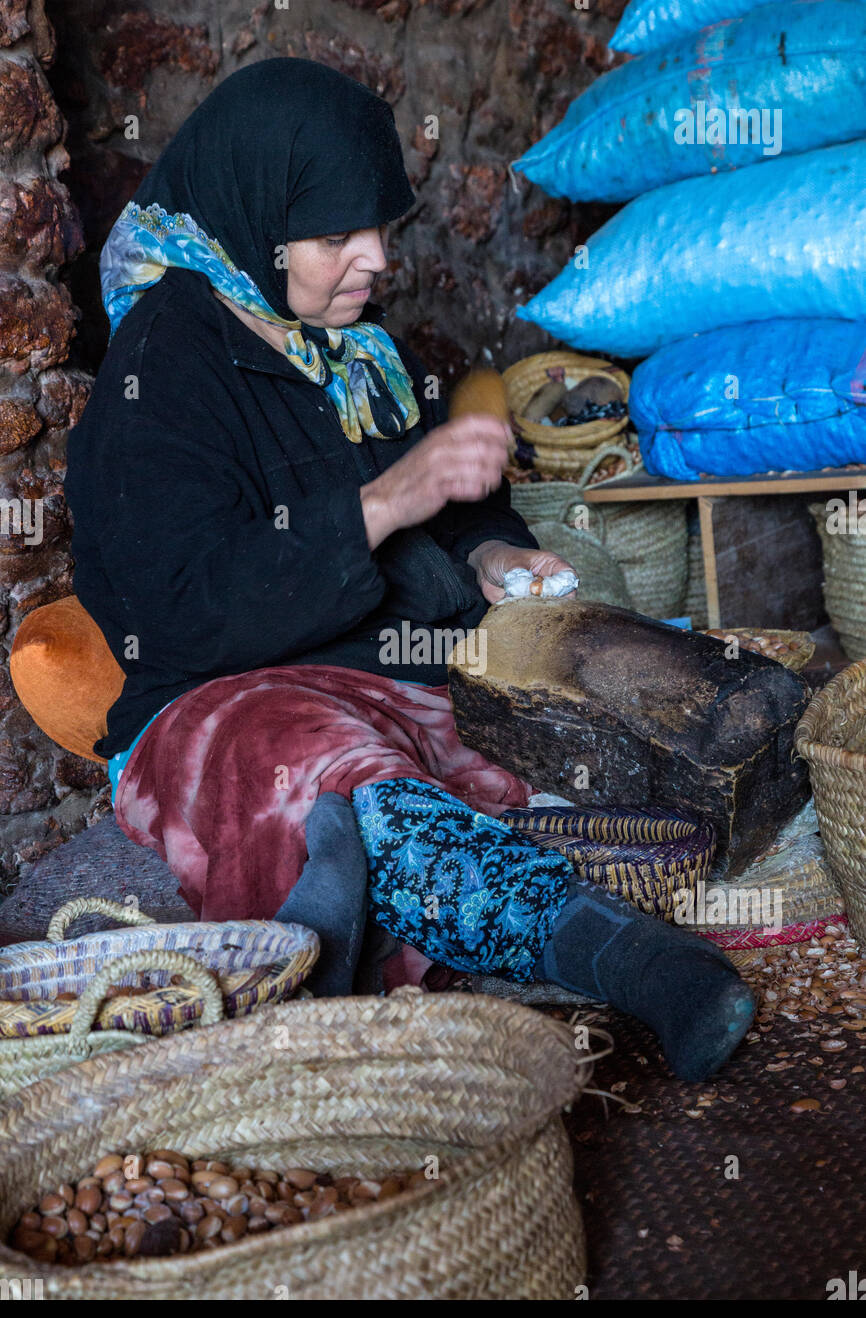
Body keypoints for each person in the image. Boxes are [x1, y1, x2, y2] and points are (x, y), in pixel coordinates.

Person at [64, 57, 755, 1082]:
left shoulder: (355, 356)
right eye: (338, 234)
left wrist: (492, 550)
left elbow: (463, 501)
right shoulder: (162, 367)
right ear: (260, 222)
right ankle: (628, 957)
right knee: (327, 778)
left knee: (652, 698)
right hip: (230, 695)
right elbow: (182, 612)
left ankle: (344, 910)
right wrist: (389, 501)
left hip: (404, 666)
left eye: (381, 227)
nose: (376, 258)